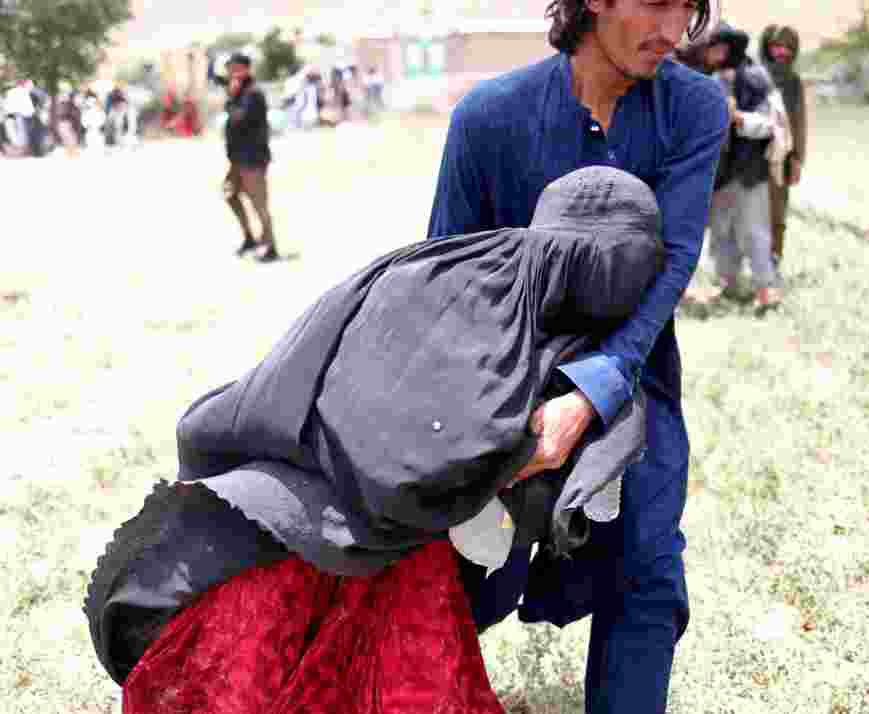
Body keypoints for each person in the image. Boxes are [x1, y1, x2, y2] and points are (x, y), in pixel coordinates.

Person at [86, 166, 665, 714]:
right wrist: (512, 459)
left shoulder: (449, 268)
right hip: (309, 539)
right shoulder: (511, 324)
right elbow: (411, 464)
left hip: (312, 526)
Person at [427, 1, 728, 712]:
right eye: (658, 2)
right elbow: (447, 278)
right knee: (458, 574)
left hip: (632, 369)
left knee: (647, 569)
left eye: (690, 7)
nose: (676, 26)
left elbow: (673, 263)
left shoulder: (692, 108)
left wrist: (590, 394)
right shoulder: (489, 117)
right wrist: (499, 419)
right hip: (500, 381)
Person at [702, 23, 790, 309]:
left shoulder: (754, 78)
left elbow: (770, 124)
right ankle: (728, 284)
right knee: (721, 230)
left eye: (715, 46)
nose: (710, 52)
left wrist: (738, 118)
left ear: (728, 48)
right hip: (719, 171)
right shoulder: (710, 79)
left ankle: (766, 290)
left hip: (748, 170)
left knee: (754, 232)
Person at [223, 52, 279, 262]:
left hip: (252, 158)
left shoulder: (253, 93)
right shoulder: (240, 92)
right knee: (230, 194)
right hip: (237, 159)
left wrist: (232, 97)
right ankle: (250, 238)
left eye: (235, 67)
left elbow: (239, 118)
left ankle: (270, 246)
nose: (231, 72)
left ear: (245, 69)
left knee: (259, 203)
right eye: (229, 68)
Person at [760, 24, 807, 265]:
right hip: (753, 156)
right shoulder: (756, 75)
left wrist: (798, 158)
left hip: (783, 157)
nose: (782, 52)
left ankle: (774, 261)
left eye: (789, 47)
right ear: (768, 47)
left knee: (778, 213)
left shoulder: (794, 81)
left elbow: (799, 122)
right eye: (777, 46)